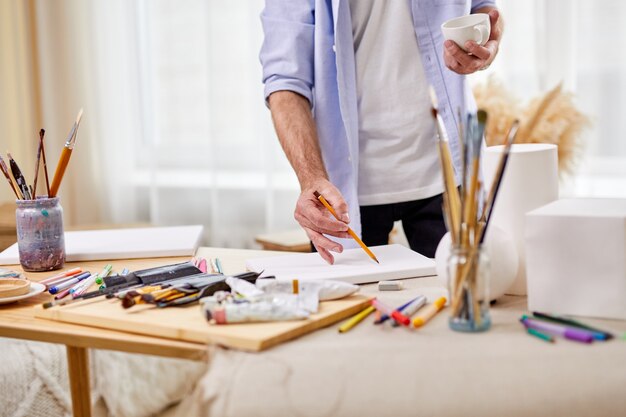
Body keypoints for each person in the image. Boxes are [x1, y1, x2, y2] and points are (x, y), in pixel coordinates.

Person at [260, 0, 502, 263]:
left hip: (447, 172)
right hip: (344, 191)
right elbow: (285, 82)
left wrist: (485, 42)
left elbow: (484, 9)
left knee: (470, 297)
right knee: (351, 302)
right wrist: (311, 179)